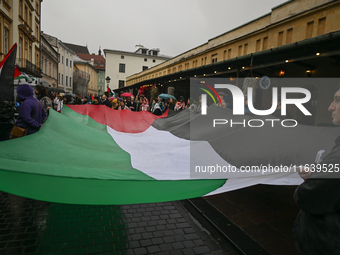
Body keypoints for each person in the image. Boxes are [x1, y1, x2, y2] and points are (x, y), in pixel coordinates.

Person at [293, 87, 340, 254]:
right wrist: (318, 175)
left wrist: (309, 185)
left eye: (338, 100)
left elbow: (309, 197)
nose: (330, 107)